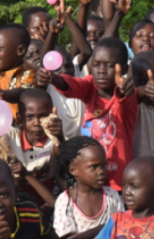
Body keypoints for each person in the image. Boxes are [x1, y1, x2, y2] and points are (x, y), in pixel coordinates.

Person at [36, 37, 138, 191]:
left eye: (109, 65)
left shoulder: (126, 96)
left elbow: (127, 96)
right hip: (88, 178)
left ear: (123, 69)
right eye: (96, 64)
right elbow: (71, 84)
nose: (101, 70)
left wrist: (125, 90)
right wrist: (53, 78)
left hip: (116, 181)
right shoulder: (90, 86)